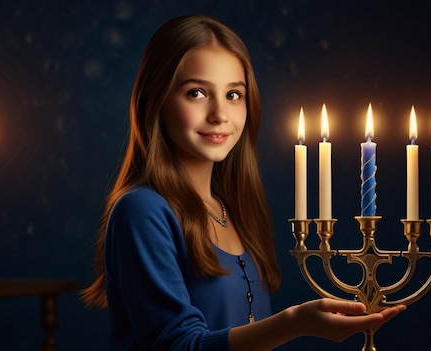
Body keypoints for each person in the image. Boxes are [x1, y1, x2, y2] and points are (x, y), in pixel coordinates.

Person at [81, 14, 405, 350]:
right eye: (196, 93)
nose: (220, 114)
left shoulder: (231, 206)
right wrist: (294, 323)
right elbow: (177, 346)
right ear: (157, 100)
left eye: (234, 95)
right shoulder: (142, 209)